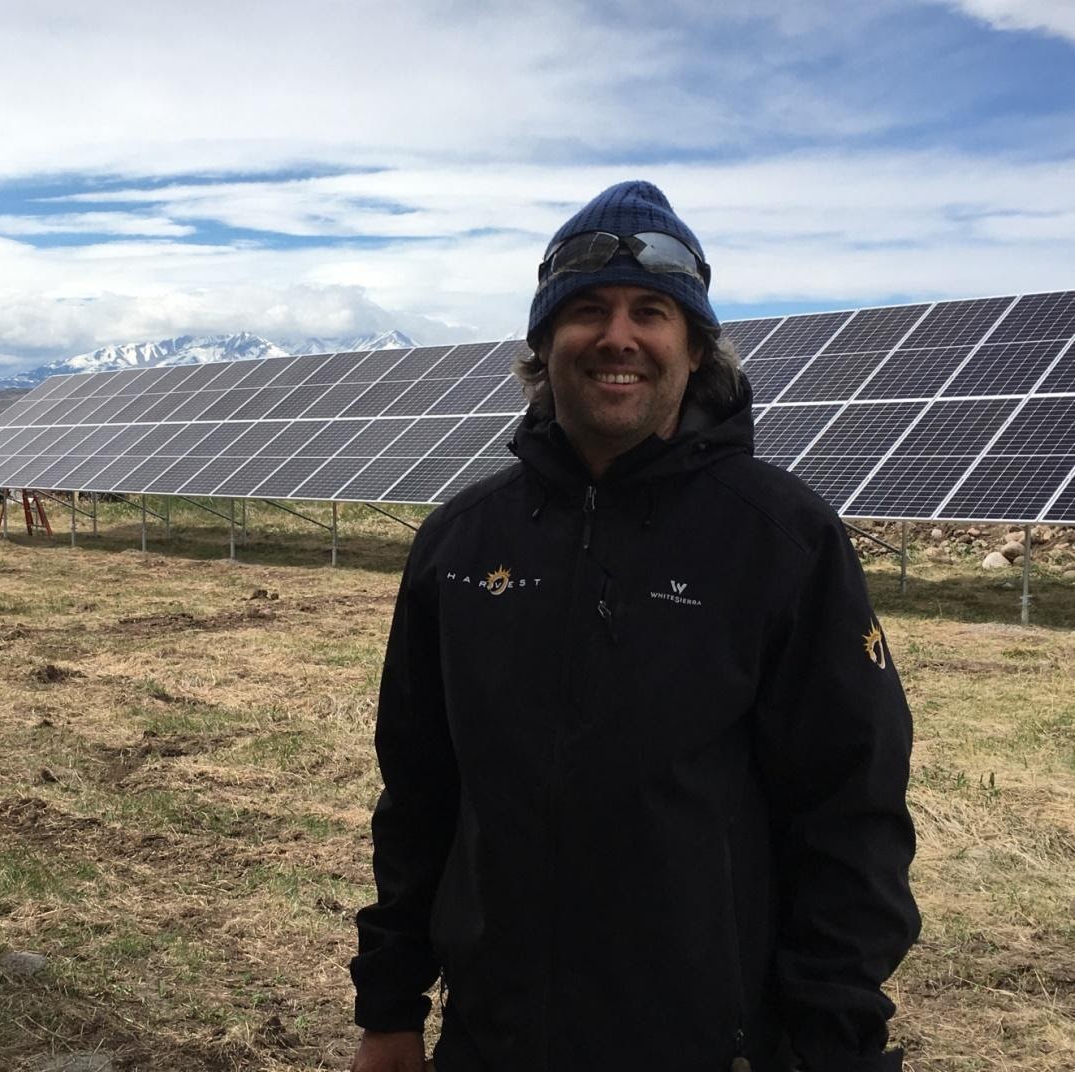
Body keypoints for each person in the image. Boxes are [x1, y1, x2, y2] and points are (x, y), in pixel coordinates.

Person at [348, 180, 920, 1072]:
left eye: (650, 312)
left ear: (693, 348)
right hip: (492, 1036)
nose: (618, 337)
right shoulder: (461, 541)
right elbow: (418, 793)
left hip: (711, 1042)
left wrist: (830, 1040)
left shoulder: (781, 538)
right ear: (543, 345)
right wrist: (388, 1007)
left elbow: (851, 814)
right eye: (586, 311)